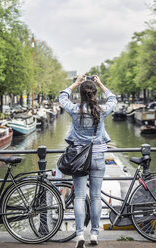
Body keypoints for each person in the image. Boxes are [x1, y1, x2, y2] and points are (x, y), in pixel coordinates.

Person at [59, 74, 117, 248]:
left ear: (81, 94)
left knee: (79, 198)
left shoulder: (75, 110)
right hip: (98, 157)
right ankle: (94, 234)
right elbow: (113, 99)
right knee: (96, 197)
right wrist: (100, 83)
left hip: (79, 157)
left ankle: (79, 235)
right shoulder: (102, 110)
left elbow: (62, 97)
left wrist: (75, 83)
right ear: (94, 93)